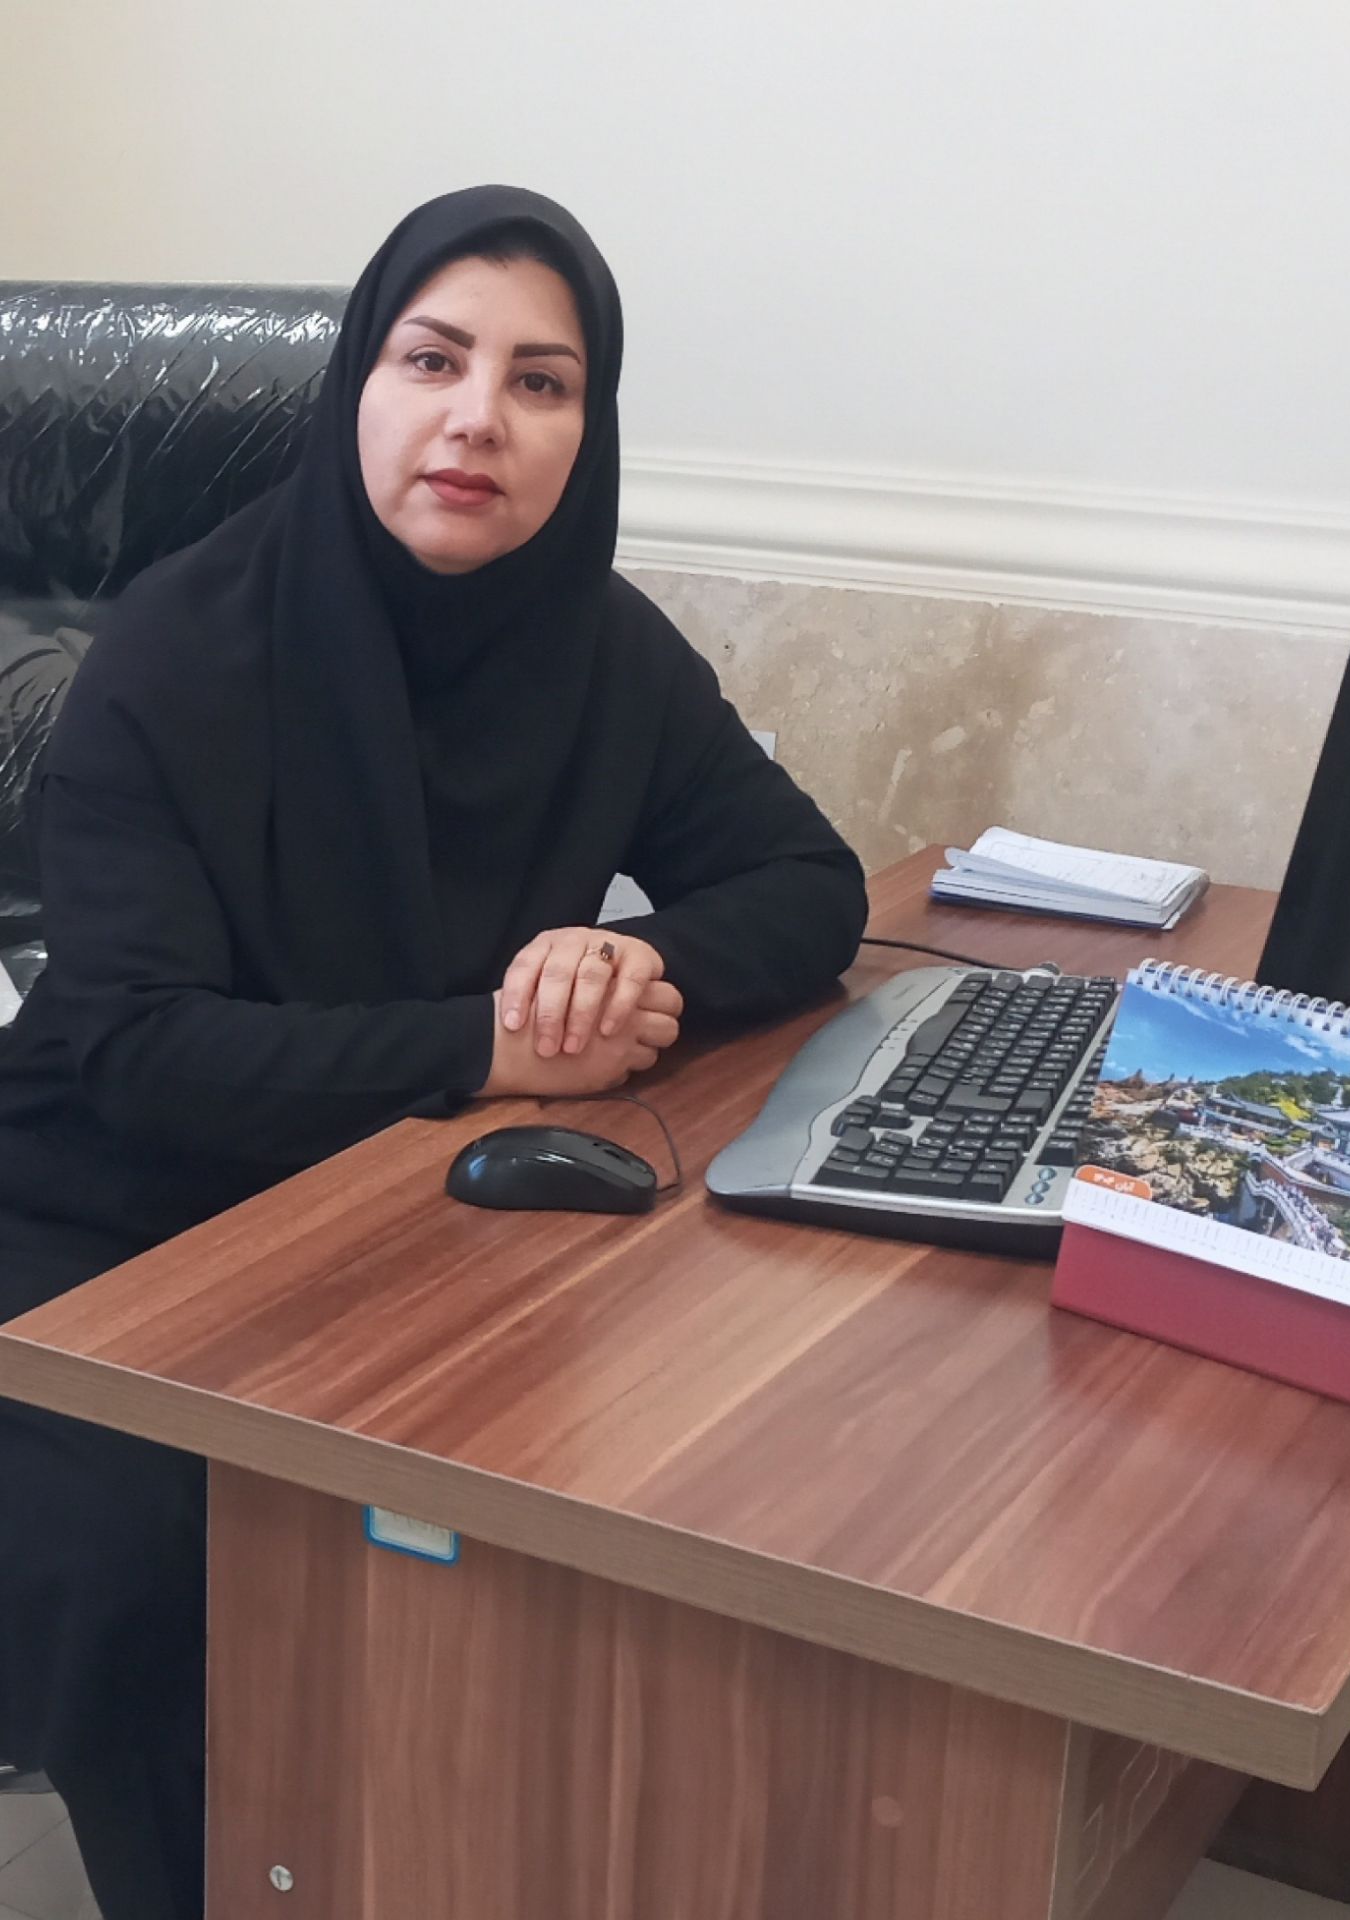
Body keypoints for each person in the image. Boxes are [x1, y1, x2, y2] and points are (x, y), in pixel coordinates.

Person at [0, 185, 868, 1920]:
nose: (479, 417)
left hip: (388, 1203)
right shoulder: (176, 652)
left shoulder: (597, 647)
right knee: (165, 1567)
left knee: (623, 1471)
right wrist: (490, 1048)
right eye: (432, 360)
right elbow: (136, 1051)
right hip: (102, 1227)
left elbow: (808, 883)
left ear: (584, 432)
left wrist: (630, 962)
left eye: (541, 382)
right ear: (356, 387)